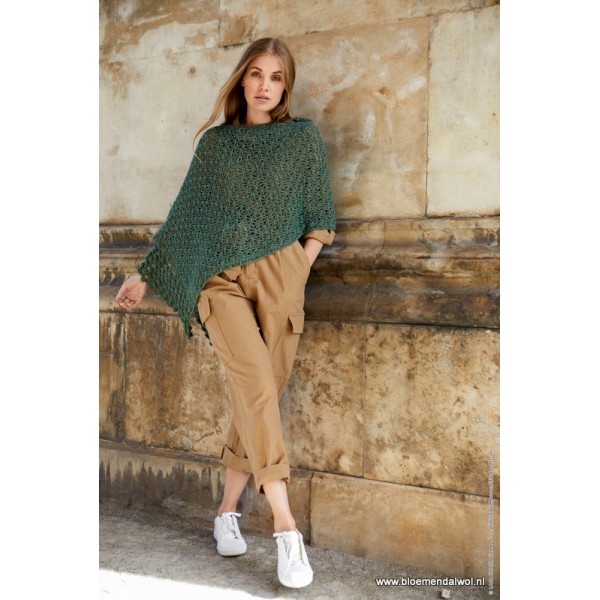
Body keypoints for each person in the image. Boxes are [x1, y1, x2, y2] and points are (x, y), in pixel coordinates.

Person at [114, 37, 336, 588]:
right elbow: (185, 217)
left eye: (276, 77)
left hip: (282, 276)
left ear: (286, 86)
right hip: (220, 282)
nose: (265, 85)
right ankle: (286, 528)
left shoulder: (301, 139)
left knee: (258, 394)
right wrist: (144, 273)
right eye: (256, 73)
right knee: (256, 383)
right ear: (241, 79)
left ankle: (226, 511)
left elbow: (320, 216)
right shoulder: (216, 146)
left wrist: (300, 265)